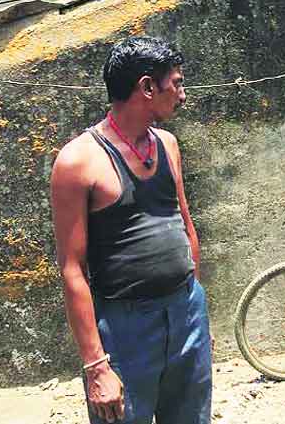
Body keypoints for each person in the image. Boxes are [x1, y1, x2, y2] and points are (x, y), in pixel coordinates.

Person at [51, 36, 212, 424]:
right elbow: (72, 268)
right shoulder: (79, 162)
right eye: (176, 83)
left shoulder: (168, 144)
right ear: (146, 87)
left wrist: (195, 308)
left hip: (185, 308)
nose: (182, 94)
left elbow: (184, 223)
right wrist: (96, 365)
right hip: (125, 327)